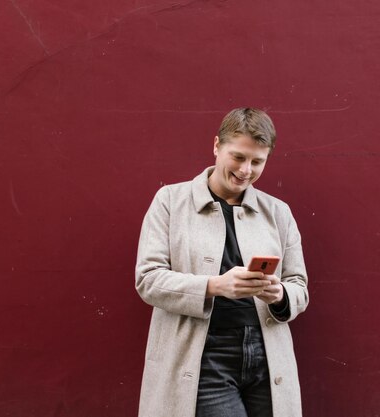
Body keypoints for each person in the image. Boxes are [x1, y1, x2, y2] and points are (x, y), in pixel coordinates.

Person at [135, 108, 309, 417]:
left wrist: (279, 295)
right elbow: (148, 280)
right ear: (217, 146)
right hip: (202, 355)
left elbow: (299, 286)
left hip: (268, 355)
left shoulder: (278, 212)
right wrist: (216, 285)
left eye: (258, 162)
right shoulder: (170, 202)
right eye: (238, 157)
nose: (246, 170)